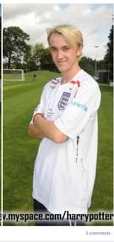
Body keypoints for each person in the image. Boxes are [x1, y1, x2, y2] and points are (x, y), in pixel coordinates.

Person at [28, 25, 101, 226]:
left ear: (79, 49)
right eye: (54, 49)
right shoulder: (49, 86)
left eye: (65, 48)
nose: (59, 55)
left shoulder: (87, 86)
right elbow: (32, 131)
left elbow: (59, 135)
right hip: (41, 187)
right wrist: (46, 126)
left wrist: (39, 118)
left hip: (68, 195)